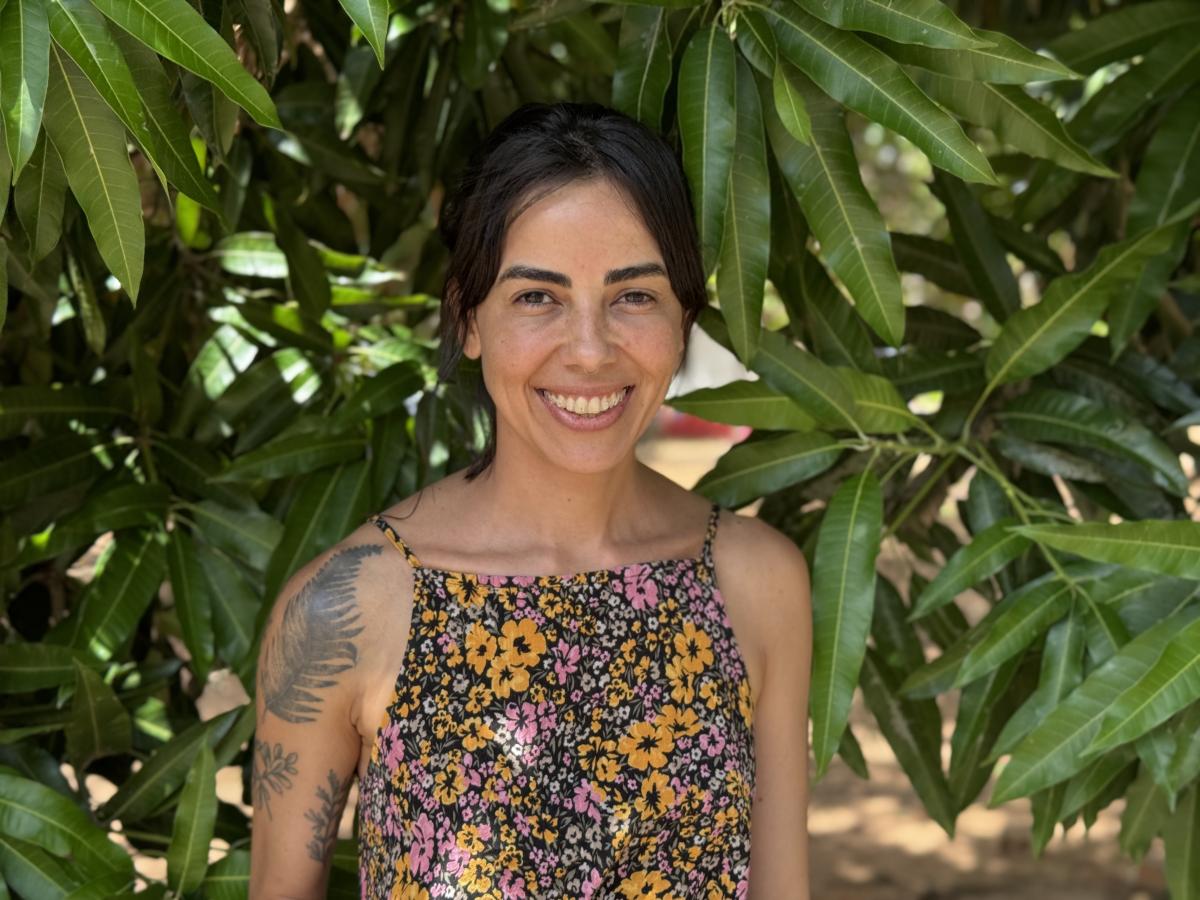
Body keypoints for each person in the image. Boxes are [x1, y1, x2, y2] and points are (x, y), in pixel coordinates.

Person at [249, 101, 812, 900]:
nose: (589, 350)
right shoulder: (345, 611)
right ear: (467, 318)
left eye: (635, 296)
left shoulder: (756, 583)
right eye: (536, 297)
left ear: (684, 317)